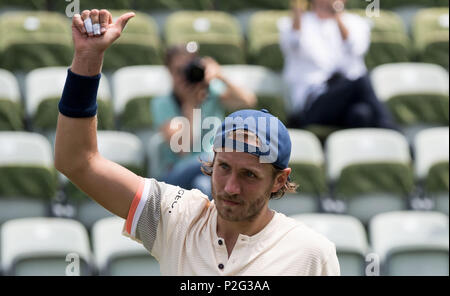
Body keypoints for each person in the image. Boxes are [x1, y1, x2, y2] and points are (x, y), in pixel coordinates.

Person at [55, 9, 340, 275]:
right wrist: (87, 61)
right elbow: (77, 161)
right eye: (224, 166)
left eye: (249, 174)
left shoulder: (311, 253)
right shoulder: (177, 218)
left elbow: (246, 99)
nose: (230, 188)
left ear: (279, 181)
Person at [151, 44, 257, 197]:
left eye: (188, 69)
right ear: (169, 71)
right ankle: (224, 163)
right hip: (177, 174)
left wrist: (220, 75)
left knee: (202, 186)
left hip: (211, 173)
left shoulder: (212, 92)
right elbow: (182, 148)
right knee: (210, 161)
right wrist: (191, 105)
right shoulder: (162, 103)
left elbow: (248, 101)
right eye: (178, 71)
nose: (184, 76)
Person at [279, 0, 398, 130]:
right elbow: (292, 43)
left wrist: (338, 18)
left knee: (361, 113)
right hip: (314, 102)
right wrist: (297, 14)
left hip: (347, 99)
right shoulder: (296, 23)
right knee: (361, 80)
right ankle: (392, 130)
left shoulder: (355, 22)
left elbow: (356, 48)